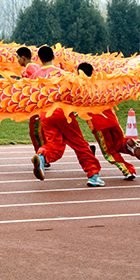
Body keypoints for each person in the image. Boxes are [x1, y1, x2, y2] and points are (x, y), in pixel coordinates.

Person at [30, 46, 104, 187]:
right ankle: (93, 174)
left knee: (54, 145)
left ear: (39, 59)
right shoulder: (62, 74)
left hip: (45, 114)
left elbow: (32, 96)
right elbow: (74, 92)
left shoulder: (35, 76)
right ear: (53, 56)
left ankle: (42, 157)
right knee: (79, 143)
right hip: (63, 112)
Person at [77, 62, 140, 180]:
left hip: (98, 124)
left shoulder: (81, 88)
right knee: (119, 143)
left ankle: (128, 171)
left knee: (109, 153)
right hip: (112, 120)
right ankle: (130, 145)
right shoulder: (101, 84)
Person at [17, 46, 49, 166]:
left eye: (18, 58)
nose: (17, 61)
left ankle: (42, 158)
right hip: (43, 104)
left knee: (35, 132)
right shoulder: (37, 66)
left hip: (37, 106)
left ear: (23, 58)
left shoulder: (29, 68)